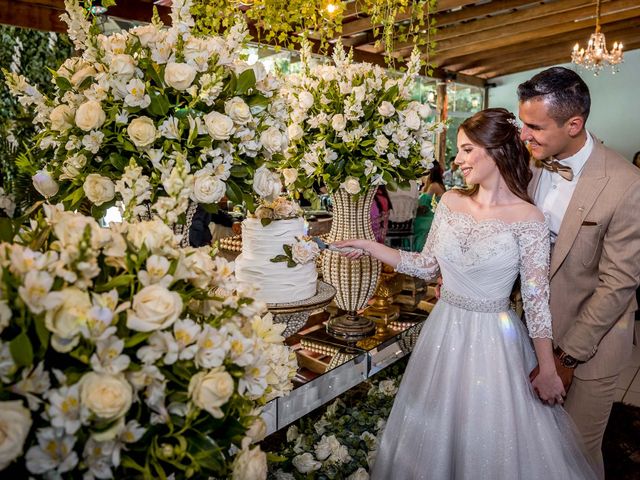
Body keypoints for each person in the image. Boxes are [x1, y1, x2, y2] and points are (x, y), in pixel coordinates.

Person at [336, 108, 597, 479]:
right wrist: (369, 246)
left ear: (496, 151)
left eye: (466, 150)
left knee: (488, 437)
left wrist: (548, 369)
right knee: (434, 434)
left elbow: (537, 301)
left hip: (495, 341)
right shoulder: (450, 202)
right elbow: (428, 266)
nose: (457, 160)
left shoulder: (529, 219)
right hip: (443, 332)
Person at [518, 67, 640, 478]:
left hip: (591, 346)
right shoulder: (531, 166)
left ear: (574, 124)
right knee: (531, 444)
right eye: (523, 123)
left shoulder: (626, 184)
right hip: (530, 333)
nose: (524, 135)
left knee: (575, 453)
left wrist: (565, 358)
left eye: (535, 127)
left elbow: (618, 284)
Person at [413, 161, 445, 252]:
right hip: (427, 216)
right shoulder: (431, 185)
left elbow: (422, 204)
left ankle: (414, 251)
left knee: (410, 223)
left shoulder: (434, 186)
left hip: (430, 218)